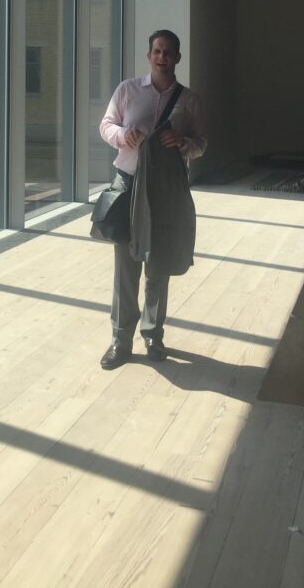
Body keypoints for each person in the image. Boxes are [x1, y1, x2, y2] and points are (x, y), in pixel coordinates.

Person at [98, 29, 207, 370]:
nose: (162, 57)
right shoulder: (128, 90)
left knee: (159, 263)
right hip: (128, 183)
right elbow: (106, 124)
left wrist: (183, 142)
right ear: (149, 56)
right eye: (157, 51)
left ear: (177, 58)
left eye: (169, 52)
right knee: (125, 264)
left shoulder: (189, 100)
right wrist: (121, 135)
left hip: (166, 190)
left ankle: (153, 334)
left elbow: (201, 144)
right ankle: (120, 338)